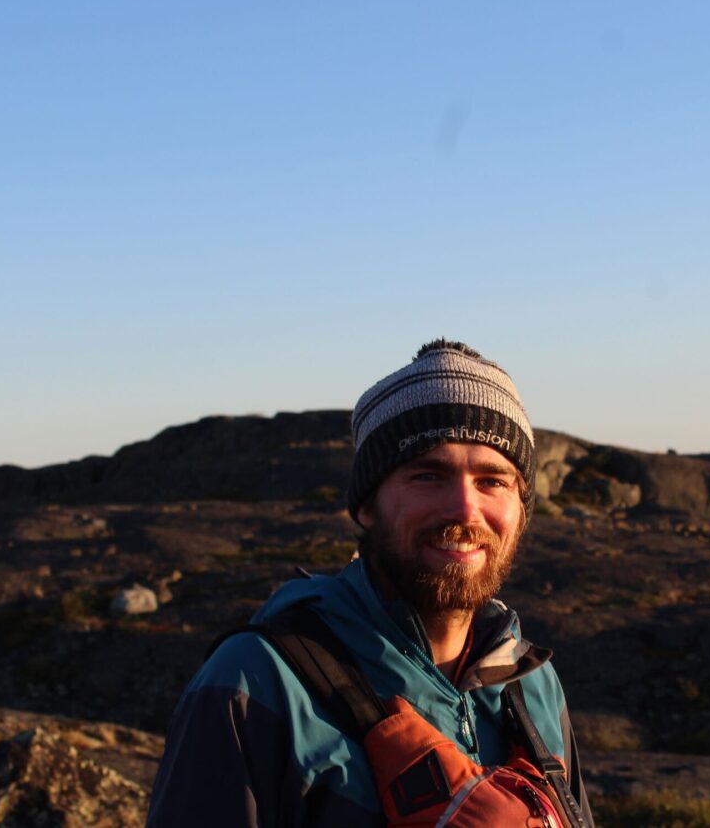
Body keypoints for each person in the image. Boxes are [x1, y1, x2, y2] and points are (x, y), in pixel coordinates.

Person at [147, 340, 594, 827]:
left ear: (521, 509)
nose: (465, 509)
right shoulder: (256, 682)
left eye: (493, 481)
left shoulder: (532, 684)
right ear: (366, 506)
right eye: (428, 475)